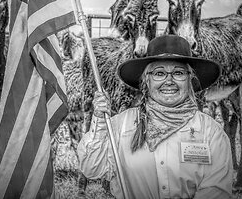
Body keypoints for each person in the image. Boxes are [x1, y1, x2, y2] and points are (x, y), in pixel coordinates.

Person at [77, 35, 233, 199]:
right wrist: (101, 122)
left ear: (190, 79)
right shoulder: (122, 124)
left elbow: (216, 191)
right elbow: (91, 168)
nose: (169, 80)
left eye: (178, 73)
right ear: (146, 81)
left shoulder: (210, 132)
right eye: (159, 73)